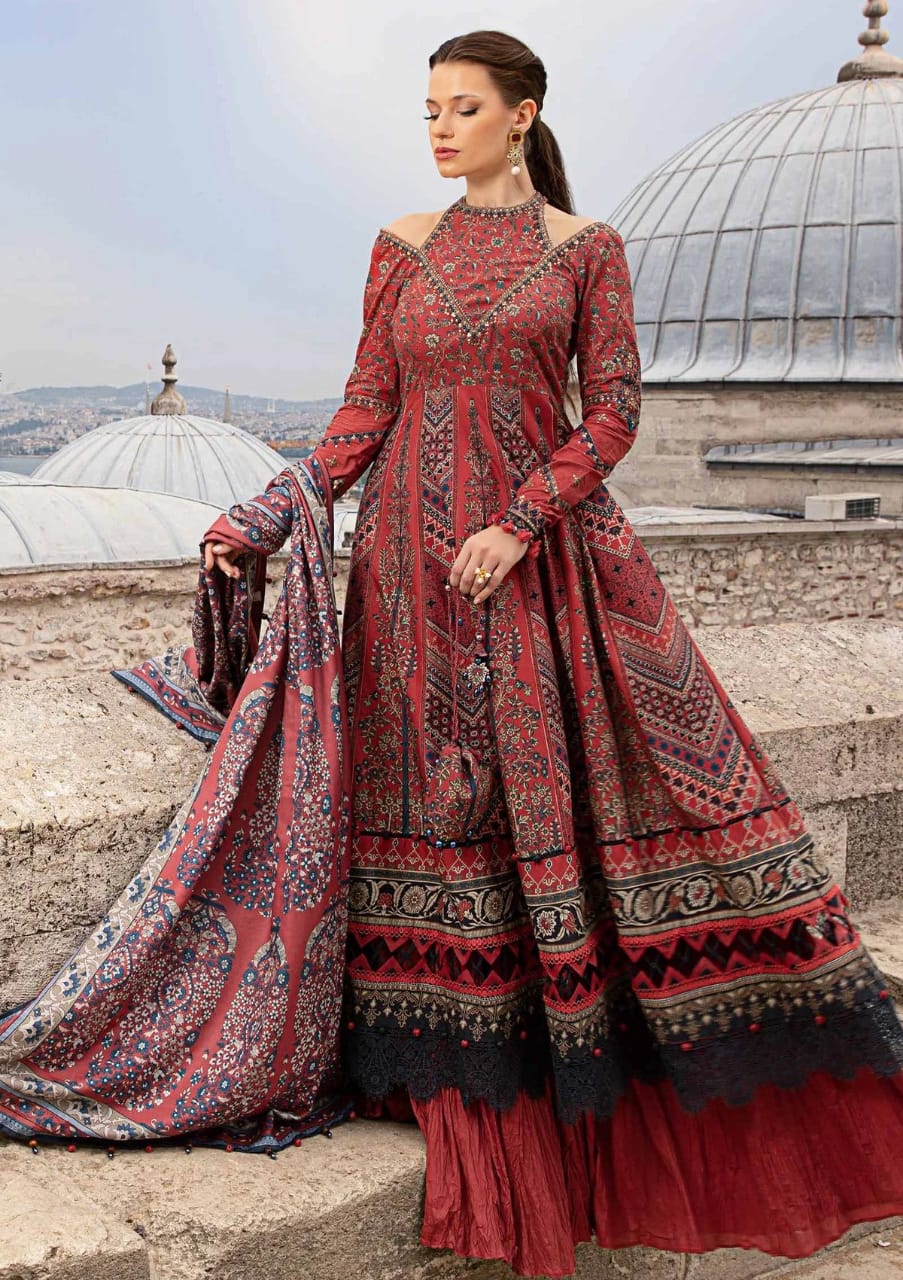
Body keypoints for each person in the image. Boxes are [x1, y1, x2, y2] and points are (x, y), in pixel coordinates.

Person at [204, 27, 903, 1280]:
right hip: (404, 576)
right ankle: (434, 1062)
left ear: (522, 115)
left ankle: (549, 1066)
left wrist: (521, 519)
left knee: (533, 793)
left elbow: (617, 409)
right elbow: (367, 409)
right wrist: (270, 510)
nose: (438, 128)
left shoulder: (587, 251)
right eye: (428, 109)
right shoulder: (400, 246)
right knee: (424, 798)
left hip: (533, 572)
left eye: (462, 107)